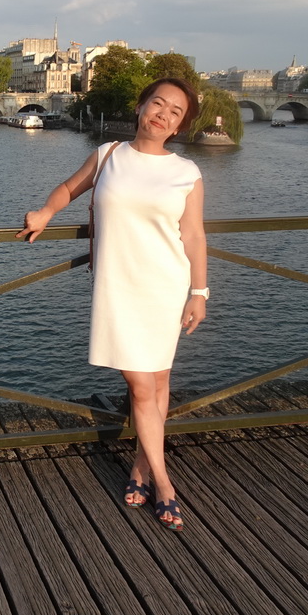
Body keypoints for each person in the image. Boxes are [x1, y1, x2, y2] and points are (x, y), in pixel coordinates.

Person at [17, 77, 207, 532]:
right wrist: (45, 213)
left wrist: (199, 292)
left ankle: (148, 474)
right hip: (119, 287)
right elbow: (67, 188)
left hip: (165, 284)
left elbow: (195, 236)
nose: (163, 114)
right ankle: (164, 482)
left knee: (156, 383)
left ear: (178, 126)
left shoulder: (187, 173)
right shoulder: (108, 156)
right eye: (157, 103)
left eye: (174, 112)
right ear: (141, 106)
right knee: (144, 385)